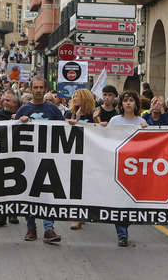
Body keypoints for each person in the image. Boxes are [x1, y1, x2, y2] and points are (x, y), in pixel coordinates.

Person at [15, 76, 62, 243]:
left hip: (48, 158)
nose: (38, 90)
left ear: (45, 89)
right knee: (29, 193)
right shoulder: (24, 110)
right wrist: (20, 123)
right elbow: (12, 133)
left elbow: (62, 132)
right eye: (35, 87)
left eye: (41, 87)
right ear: (30, 89)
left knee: (47, 193)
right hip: (28, 159)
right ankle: (31, 227)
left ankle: (49, 228)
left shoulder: (53, 110)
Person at [101, 90, 148, 246]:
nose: (128, 103)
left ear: (136, 104)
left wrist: (147, 130)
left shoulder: (142, 121)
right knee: (120, 200)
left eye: (131, 100)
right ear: (121, 104)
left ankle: (125, 224)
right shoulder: (114, 120)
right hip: (119, 165)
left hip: (136, 167)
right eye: (125, 100)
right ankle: (122, 233)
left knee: (131, 200)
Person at [64, 88, 97, 230]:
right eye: (74, 96)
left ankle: (83, 213)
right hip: (74, 152)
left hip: (90, 153)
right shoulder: (68, 113)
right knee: (75, 186)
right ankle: (76, 217)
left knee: (87, 186)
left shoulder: (92, 114)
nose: (75, 98)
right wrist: (75, 119)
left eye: (78, 96)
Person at [0, 89, 22, 225]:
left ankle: (13, 213)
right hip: (2, 153)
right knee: (2, 185)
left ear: (16, 103)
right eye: (4, 100)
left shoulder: (23, 113)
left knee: (15, 184)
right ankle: (1, 215)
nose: (4, 102)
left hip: (18, 154)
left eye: (7, 100)